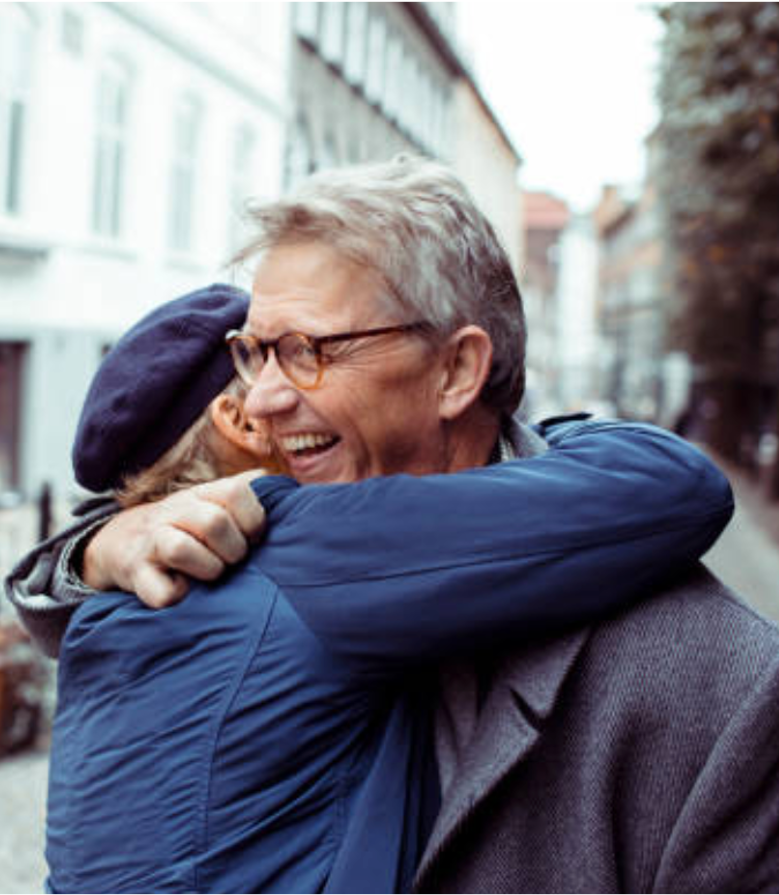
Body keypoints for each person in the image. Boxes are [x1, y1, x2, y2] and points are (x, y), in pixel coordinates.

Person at [13, 157, 779, 894]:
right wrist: (99, 546)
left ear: (457, 368)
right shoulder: (246, 548)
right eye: (255, 351)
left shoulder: (709, 678)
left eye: (308, 349)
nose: (263, 399)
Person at [37, 283, 734, 895]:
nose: (297, 382)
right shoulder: (302, 540)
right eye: (282, 356)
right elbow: (673, 485)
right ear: (243, 418)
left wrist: (97, 546)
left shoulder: (114, 602)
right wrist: (502, 417)